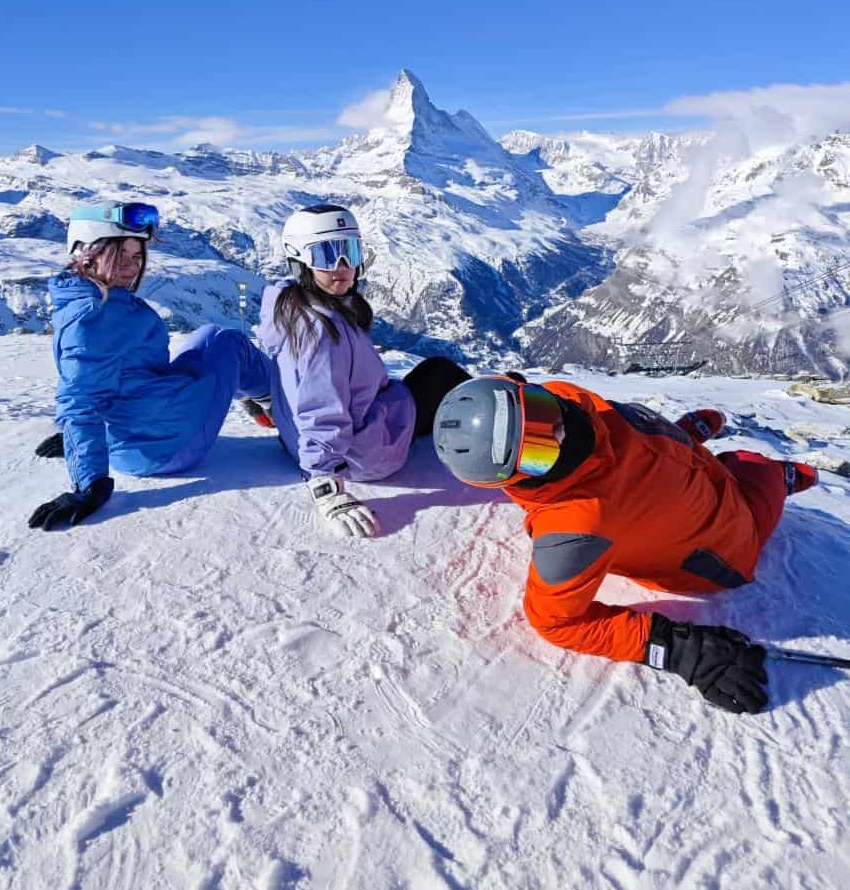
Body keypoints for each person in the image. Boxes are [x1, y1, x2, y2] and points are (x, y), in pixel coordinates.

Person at [433, 374, 820, 714]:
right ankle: (778, 479)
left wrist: (675, 439)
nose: (557, 431)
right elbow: (555, 622)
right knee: (749, 463)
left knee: (662, 438)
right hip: (725, 542)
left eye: (538, 409)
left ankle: (685, 437)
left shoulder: (563, 398)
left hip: (679, 466)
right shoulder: (576, 524)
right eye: (538, 450)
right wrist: (681, 649)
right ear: (516, 480)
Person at [28, 201, 272, 530]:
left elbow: (102, 380)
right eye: (120, 255)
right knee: (228, 342)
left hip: (136, 436)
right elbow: (80, 400)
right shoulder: (94, 314)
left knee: (208, 336)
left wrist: (85, 441)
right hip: (170, 445)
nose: (131, 266)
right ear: (86, 254)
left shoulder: (86, 297)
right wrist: (89, 484)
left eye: (137, 256)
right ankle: (282, 405)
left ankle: (257, 396)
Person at [257, 204, 470, 538]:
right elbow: (320, 409)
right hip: (366, 452)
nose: (342, 267)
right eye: (327, 255)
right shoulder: (320, 333)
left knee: (427, 378)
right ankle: (517, 417)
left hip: (305, 440)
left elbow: (294, 379)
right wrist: (327, 489)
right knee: (441, 374)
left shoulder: (287, 304)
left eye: (349, 252)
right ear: (299, 260)